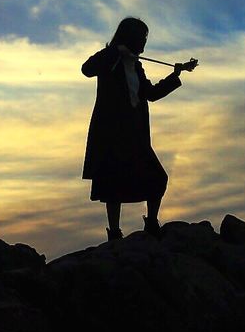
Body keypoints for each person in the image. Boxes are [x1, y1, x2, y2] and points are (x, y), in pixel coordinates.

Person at [81, 17, 192, 240]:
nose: (144, 44)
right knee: (112, 184)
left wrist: (175, 75)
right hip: (112, 133)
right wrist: (115, 51)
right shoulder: (110, 59)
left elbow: (150, 94)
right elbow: (86, 69)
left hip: (135, 135)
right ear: (130, 38)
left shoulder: (136, 66)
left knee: (157, 178)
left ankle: (151, 222)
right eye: (142, 38)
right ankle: (114, 232)